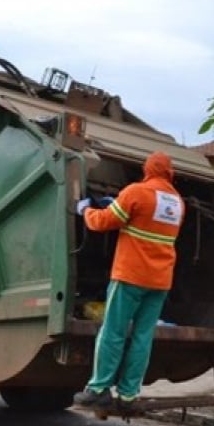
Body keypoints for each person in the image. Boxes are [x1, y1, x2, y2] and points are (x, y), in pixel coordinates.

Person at [73, 151, 185, 412]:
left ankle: (99, 389)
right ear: (169, 173)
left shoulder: (136, 191)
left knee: (113, 331)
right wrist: (118, 203)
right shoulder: (178, 203)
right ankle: (128, 395)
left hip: (131, 275)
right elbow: (148, 219)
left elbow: (102, 222)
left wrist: (85, 210)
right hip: (160, 280)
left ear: (147, 170)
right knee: (143, 337)